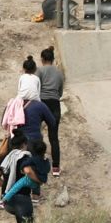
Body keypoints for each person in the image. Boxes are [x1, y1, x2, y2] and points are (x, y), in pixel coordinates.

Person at [37, 47, 65, 176]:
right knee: (54, 138)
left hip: (41, 103)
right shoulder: (59, 73)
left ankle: (37, 162)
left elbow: (36, 87)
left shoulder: (39, 70)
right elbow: (60, 91)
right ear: (53, 60)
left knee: (37, 134)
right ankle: (56, 168)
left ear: (42, 59)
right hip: (54, 104)